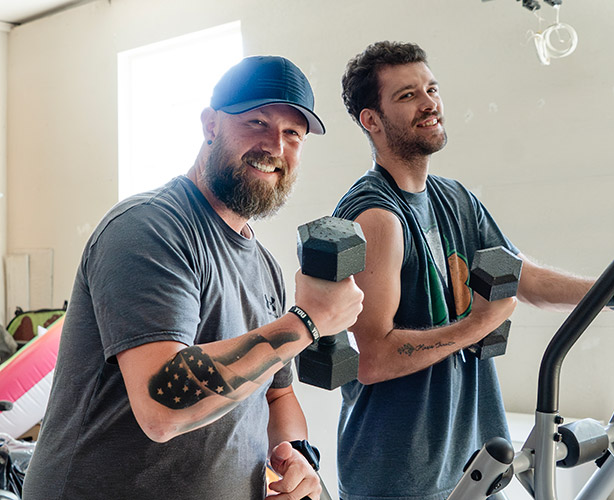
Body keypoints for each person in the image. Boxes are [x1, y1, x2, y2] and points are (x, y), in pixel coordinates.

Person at [332, 41, 614, 500]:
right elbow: (373, 359)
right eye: (407, 96)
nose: (430, 104)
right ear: (371, 120)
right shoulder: (376, 217)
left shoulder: (455, 199)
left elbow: (524, 278)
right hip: (399, 477)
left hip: (476, 464)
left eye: (432, 89)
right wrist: (478, 325)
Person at [23, 55, 363, 500]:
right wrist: (306, 322)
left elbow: (276, 397)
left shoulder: (264, 266)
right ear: (210, 125)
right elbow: (162, 405)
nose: (274, 146)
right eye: (257, 121)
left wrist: (295, 457)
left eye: (292, 133)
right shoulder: (148, 228)